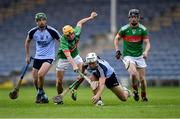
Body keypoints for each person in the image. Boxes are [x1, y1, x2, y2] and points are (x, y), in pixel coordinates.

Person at [55, 12, 98, 104]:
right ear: (65, 35)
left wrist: (90, 17)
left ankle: (74, 88)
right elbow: (68, 56)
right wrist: (74, 65)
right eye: (68, 35)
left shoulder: (76, 32)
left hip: (75, 56)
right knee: (59, 81)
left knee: (83, 73)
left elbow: (80, 22)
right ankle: (60, 98)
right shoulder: (63, 41)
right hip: (63, 58)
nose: (70, 36)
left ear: (73, 32)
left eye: (71, 34)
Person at [113, 9, 151, 101]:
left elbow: (147, 43)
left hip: (139, 56)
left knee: (142, 79)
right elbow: (116, 39)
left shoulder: (143, 29)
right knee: (133, 74)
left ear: (138, 18)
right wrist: (117, 50)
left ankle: (144, 95)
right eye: (132, 17)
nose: (133, 19)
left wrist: (146, 51)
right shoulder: (124, 29)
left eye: (135, 17)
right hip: (128, 56)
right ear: (129, 18)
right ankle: (135, 91)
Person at [25, 12, 61, 103]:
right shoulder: (33, 31)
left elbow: (61, 41)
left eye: (43, 20)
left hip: (49, 57)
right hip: (38, 57)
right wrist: (27, 55)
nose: (41, 22)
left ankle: (40, 93)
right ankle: (43, 96)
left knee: (40, 74)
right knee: (34, 78)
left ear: (46, 20)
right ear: (36, 22)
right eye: (39, 20)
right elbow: (27, 42)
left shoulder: (52, 31)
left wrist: (63, 52)